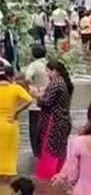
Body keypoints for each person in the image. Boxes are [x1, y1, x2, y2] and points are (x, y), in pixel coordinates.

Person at [33, 60, 73, 182]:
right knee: (60, 149)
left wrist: (36, 96)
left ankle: (47, 176)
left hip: (53, 121)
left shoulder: (55, 83)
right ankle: (60, 174)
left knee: (49, 148)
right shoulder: (62, 82)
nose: (46, 73)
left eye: (48, 71)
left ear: (54, 71)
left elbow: (46, 102)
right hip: (62, 120)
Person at [0, 64, 33, 194]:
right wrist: (16, 111)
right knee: (9, 156)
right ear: (10, 76)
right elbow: (29, 100)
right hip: (10, 125)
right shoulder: (15, 88)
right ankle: (6, 188)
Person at [24, 44, 48, 157]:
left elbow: (27, 78)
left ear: (33, 54)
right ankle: (45, 149)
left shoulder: (33, 66)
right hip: (49, 99)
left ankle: (36, 151)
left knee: (34, 127)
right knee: (46, 126)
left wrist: (31, 88)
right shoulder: (49, 64)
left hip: (35, 101)